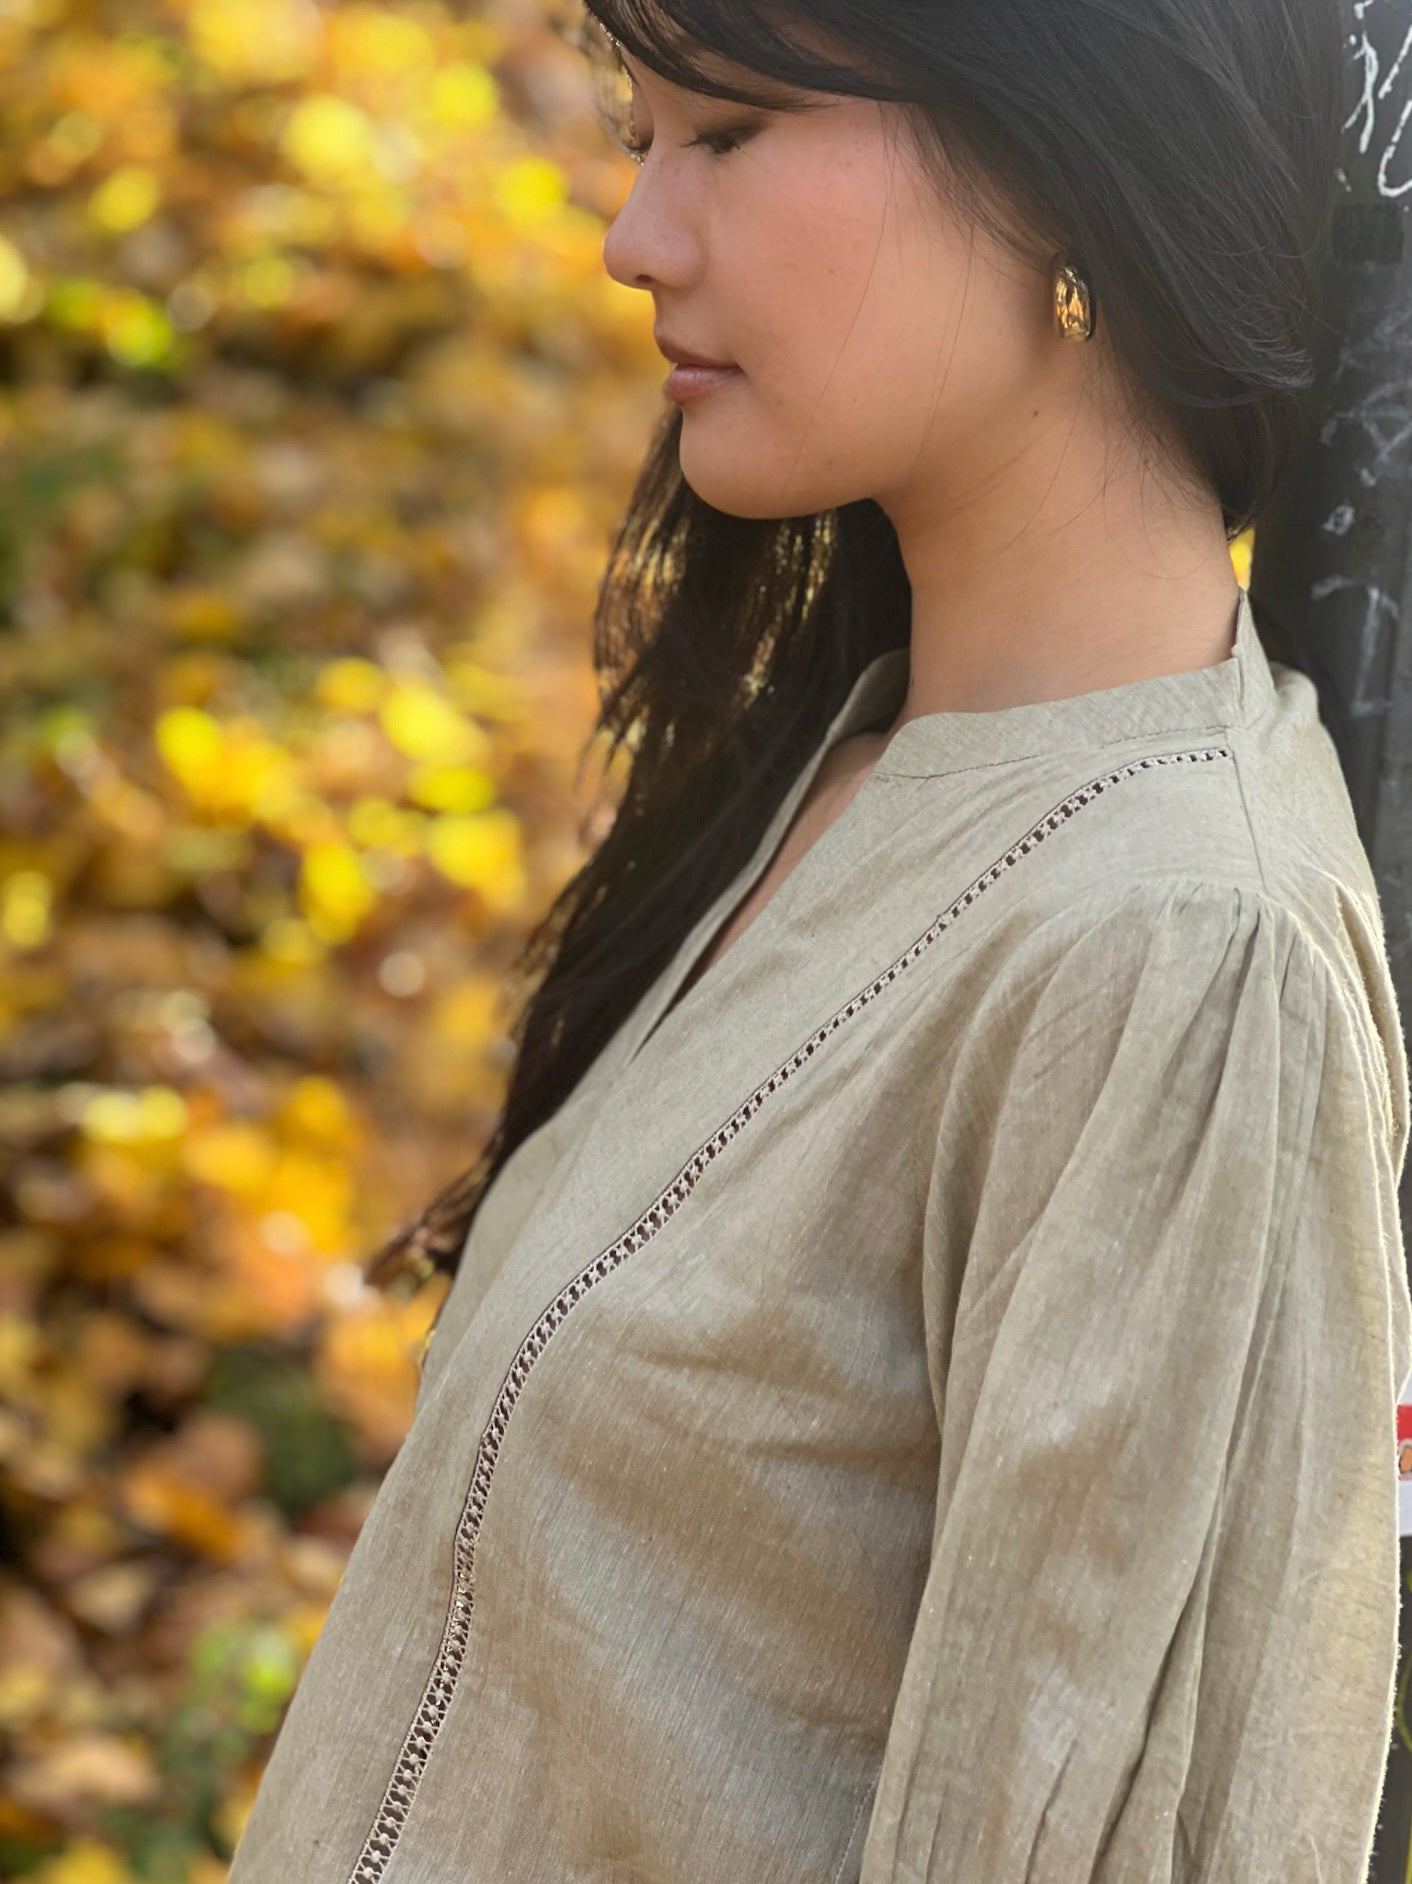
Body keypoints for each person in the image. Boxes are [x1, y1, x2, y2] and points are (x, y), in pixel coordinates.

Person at [226, 1, 1412, 1879]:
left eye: (732, 132)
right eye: (641, 136)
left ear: (1067, 170)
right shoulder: (851, 763)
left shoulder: (1181, 955)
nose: (632, 237)